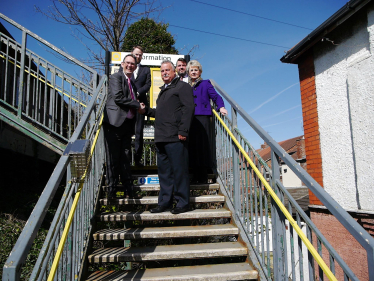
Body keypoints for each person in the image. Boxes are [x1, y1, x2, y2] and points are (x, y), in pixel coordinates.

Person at [139, 60, 194, 214]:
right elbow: (162, 114)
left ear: (174, 71)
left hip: (176, 137)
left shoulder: (182, 87)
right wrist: (147, 111)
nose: (164, 73)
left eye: (167, 70)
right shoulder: (164, 90)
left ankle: (183, 203)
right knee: (164, 174)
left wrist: (183, 131)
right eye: (162, 71)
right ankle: (165, 202)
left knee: (179, 171)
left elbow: (188, 108)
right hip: (161, 138)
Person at [103, 54, 141, 199]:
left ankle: (128, 189)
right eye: (128, 63)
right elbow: (118, 97)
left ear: (136, 67)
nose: (130, 65)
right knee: (113, 158)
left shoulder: (133, 83)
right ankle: (111, 192)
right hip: (113, 124)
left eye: (133, 64)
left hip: (126, 125)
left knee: (125, 158)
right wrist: (137, 104)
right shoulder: (116, 77)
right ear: (122, 64)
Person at [187, 60, 228, 184]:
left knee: (203, 146)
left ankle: (203, 176)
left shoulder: (206, 83)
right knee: (192, 147)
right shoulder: (185, 85)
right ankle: (194, 175)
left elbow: (215, 96)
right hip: (190, 119)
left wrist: (221, 107)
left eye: (196, 70)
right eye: (191, 70)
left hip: (203, 117)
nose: (194, 72)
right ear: (188, 72)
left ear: (200, 72)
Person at [131, 46, 151, 166]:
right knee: (127, 132)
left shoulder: (146, 69)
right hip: (127, 105)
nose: (138, 56)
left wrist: (138, 93)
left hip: (140, 106)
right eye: (136, 54)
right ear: (132, 54)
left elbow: (148, 84)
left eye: (140, 55)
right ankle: (126, 160)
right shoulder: (125, 67)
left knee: (139, 133)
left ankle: (138, 160)